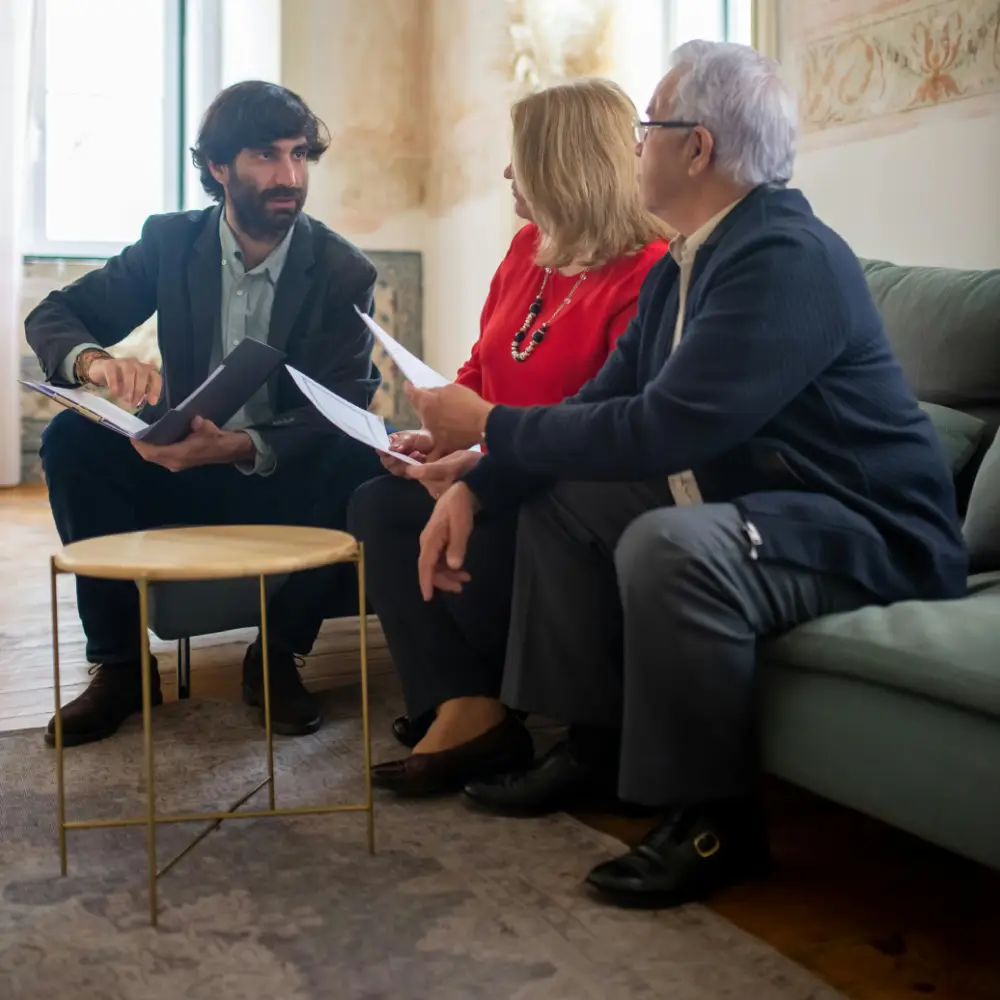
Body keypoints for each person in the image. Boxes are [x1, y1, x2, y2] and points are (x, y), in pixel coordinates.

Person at [404, 41, 968, 907]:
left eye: (647, 129)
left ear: (696, 148)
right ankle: (595, 748)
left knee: (671, 544)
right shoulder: (686, 264)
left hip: (870, 531)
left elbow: (661, 429)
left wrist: (486, 425)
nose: (633, 146)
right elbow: (598, 405)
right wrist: (481, 483)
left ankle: (715, 820)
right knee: (567, 495)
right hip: (774, 507)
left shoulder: (785, 256)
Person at [27, 81, 387, 747]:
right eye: (266, 155)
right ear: (218, 167)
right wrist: (96, 364)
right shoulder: (170, 242)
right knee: (71, 438)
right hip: (177, 466)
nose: (290, 176)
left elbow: (342, 406)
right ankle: (121, 668)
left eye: (299, 154)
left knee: (360, 448)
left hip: (282, 476)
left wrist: (241, 446)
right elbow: (56, 315)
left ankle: (277, 657)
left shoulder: (343, 271)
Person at [347, 78, 670, 795]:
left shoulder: (648, 274)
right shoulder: (529, 247)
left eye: (519, 159)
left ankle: (494, 702)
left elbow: (601, 423)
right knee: (378, 505)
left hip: (561, 487)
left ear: (564, 167)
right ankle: (467, 705)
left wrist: (479, 460)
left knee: (464, 525)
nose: (505, 174)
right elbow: (482, 367)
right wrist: (436, 437)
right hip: (496, 464)